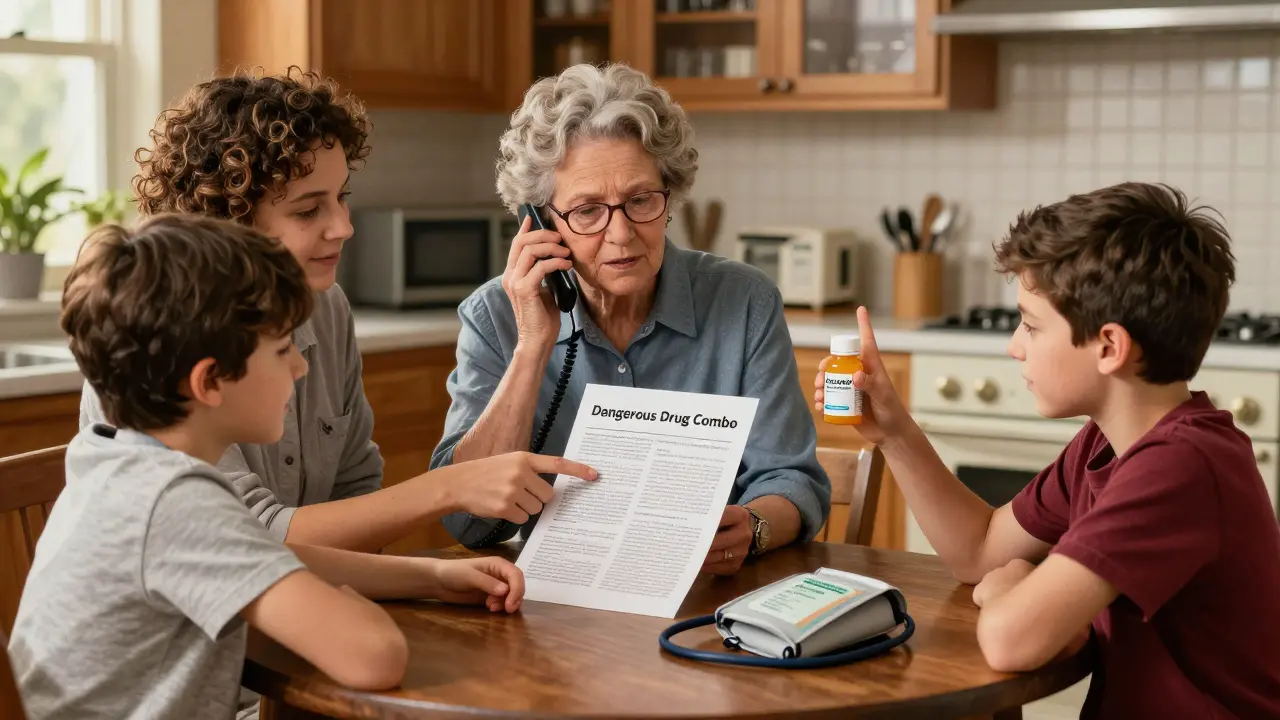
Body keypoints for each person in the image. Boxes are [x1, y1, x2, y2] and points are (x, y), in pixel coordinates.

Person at [10, 215, 528, 719]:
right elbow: (374, 656)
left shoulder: (112, 456)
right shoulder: (176, 504)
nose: (301, 366)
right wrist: (356, 608)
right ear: (209, 381)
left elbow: (269, 556)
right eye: (282, 349)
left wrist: (431, 577)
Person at [79, 68, 596, 554]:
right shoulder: (156, 340)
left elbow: (355, 493)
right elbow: (246, 544)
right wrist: (447, 488)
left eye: (340, 197)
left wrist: (426, 577)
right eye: (308, 210)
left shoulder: (325, 307)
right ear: (227, 225)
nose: (343, 227)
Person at [813, 182, 1280, 718]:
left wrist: (1016, 583)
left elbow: (1012, 639)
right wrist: (894, 431)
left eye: (1031, 325)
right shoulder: (1105, 445)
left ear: (1109, 346)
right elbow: (980, 550)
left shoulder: (1180, 467)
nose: (1015, 345)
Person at [430, 62, 830, 574]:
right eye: (588, 211)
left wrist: (750, 527)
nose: (620, 234)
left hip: (707, 599)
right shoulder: (495, 316)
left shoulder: (744, 302)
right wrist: (533, 345)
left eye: (639, 200)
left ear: (669, 198)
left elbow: (791, 480)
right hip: (556, 608)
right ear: (543, 222)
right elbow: (466, 524)